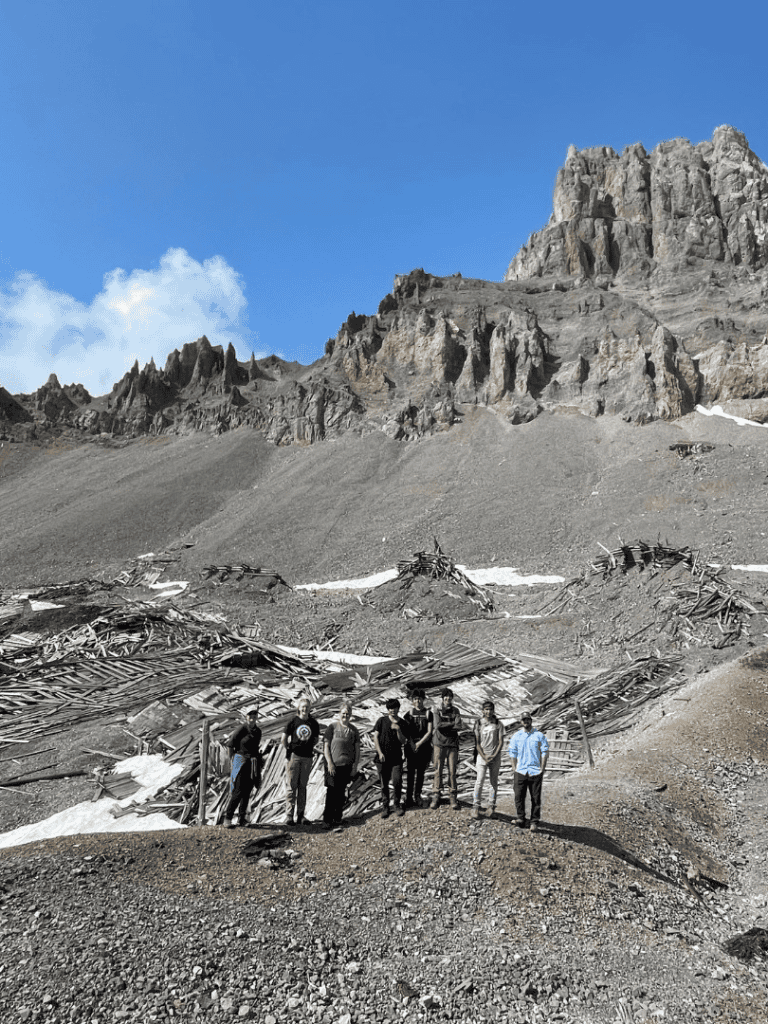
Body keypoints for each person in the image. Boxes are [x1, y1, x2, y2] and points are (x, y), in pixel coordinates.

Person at [281, 695, 321, 826]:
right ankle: (289, 816)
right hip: (294, 756)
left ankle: (301, 815)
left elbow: (316, 739)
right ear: (299, 708)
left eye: (307, 707)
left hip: (307, 757)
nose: (305, 709)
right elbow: (283, 738)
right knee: (291, 786)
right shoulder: (293, 721)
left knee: (302, 786)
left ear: (310, 709)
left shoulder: (313, 723)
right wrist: (290, 749)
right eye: (303, 707)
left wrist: (308, 747)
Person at [508, 711, 549, 831]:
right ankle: (521, 818)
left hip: (535, 771)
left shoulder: (539, 735)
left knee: (535, 798)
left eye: (528, 719)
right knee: (519, 796)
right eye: (523, 720)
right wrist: (514, 768)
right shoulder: (516, 736)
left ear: (531, 720)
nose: (526, 722)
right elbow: (512, 752)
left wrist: (542, 768)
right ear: (521, 722)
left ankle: (534, 821)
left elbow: (544, 752)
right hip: (521, 771)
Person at [322, 701, 361, 828]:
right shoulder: (332, 727)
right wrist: (329, 763)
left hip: (347, 766)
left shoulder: (353, 730)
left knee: (341, 792)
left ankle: (338, 817)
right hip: (333, 765)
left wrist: (355, 766)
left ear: (351, 715)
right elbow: (326, 746)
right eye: (343, 713)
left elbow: (357, 750)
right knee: (331, 792)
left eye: (348, 714)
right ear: (339, 713)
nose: (346, 716)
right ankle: (327, 820)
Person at [223, 708, 263, 828]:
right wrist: (233, 761)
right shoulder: (242, 729)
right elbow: (230, 745)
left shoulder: (258, 731)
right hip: (241, 762)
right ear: (246, 716)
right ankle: (228, 818)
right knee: (238, 791)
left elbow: (256, 747)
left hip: (252, 763)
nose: (252, 717)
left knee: (247, 792)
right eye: (250, 714)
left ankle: (242, 818)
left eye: (254, 714)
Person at [373, 697, 408, 818]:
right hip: (382, 759)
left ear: (399, 708)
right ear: (387, 709)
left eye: (395, 708)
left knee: (397, 781)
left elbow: (403, 741)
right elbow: (375, 737)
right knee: (384, 784)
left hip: (396, 759)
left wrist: (398, 730)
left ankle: (397, 805)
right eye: (390, 708)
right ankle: (385, 807)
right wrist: (380, 752)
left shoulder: (402, 723)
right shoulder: (381, 721)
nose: (392, 710)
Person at [430, 687, 463, 810]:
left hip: (452, 745)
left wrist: (447, 726)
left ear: (452, 698)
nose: (447, 699)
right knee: (438, 770)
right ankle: (436, 794)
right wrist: (451, 724)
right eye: (445, 697)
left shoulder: (456, 710)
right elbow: (437, 725)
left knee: (452, 771)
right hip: (439, 744)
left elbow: (459, 726)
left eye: (449, 697)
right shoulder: (437, 710)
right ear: (442, 698)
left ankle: (453, 796)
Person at [472, 699, 504, 819]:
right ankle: (476, 806)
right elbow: (477, 743)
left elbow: (501, 742)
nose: (488, 711)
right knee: (479, 781)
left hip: (495, 757)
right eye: (486, 709)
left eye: (490, 709)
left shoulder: (498, 723)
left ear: (493, 710)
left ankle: (491, 805)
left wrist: (494, 755)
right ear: (482, 710)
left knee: (493, 782)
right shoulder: (478, 723)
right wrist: (484, 756)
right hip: (482, 756)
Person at [403, 689, 433, 808]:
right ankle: (408, 797)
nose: (417, 701)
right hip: (411, 747)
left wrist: (419, 743)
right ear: (412, 700)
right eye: (415, 699)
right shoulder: (409, 714)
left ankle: (417, 795)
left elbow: (429, 731)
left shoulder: (428, 714)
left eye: (420, 698)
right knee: (410, 773)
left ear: (423, 699)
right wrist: (412, 743)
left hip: (423, 747)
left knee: (420, 773)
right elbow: (406, 732)